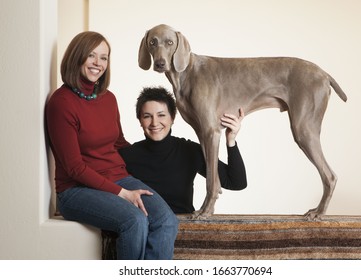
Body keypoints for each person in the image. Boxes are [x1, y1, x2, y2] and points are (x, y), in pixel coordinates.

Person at [45, 32, 178, 260]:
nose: (98, 63)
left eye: (104, 58)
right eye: (91, 56)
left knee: (166, 219)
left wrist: (157, 155)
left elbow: (119, 143)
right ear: (76, 57)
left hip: (119, 177)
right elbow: (74, 167)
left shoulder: (108, 98)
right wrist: (121, 193)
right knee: (134, 220)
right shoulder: (61, 103)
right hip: (76, 190)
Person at [119, 87, 247, 214]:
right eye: (147, 116)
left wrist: (231, 140)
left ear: (172, 117)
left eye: (161, 115)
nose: (154, 123)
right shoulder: (127, 156)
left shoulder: (189, 151)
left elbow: (236, 182)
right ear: (140, 120)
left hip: (184, 228)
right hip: (145, 228)